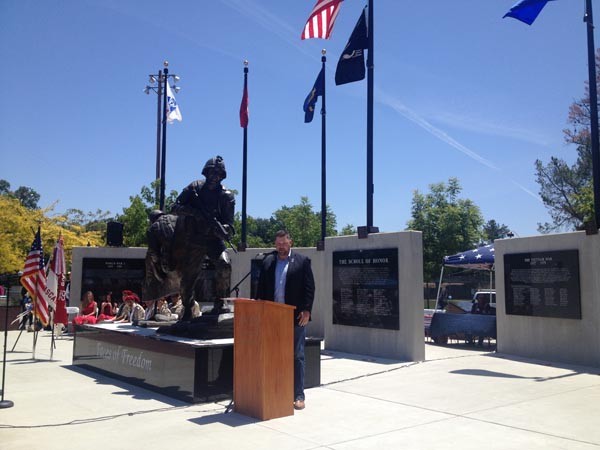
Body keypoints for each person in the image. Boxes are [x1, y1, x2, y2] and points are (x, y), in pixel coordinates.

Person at [255, 230, 315, 411]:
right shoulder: (268, 261)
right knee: (272, 355)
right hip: (272, 317)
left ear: (291, 243)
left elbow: (309, 288)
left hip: (294, 317)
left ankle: (298, 395)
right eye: (278, 243)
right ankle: (276, 390)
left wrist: (306, 311)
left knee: (297, 356)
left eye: (283, 243)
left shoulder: (302, 262)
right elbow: (261, 289)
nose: (280, 246)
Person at [170, 155, 235, 320]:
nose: (215, 176)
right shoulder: (194, 189)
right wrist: (194, 213)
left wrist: (224, 230)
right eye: (212, 172)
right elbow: (175, 207)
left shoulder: (226, 196)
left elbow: (230, 225)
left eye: (219, 173)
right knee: (188, 278)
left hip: (214, 239)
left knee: (225, 264)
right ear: (206, 172)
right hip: (194, 239)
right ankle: (187, 308)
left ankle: (220, 304)